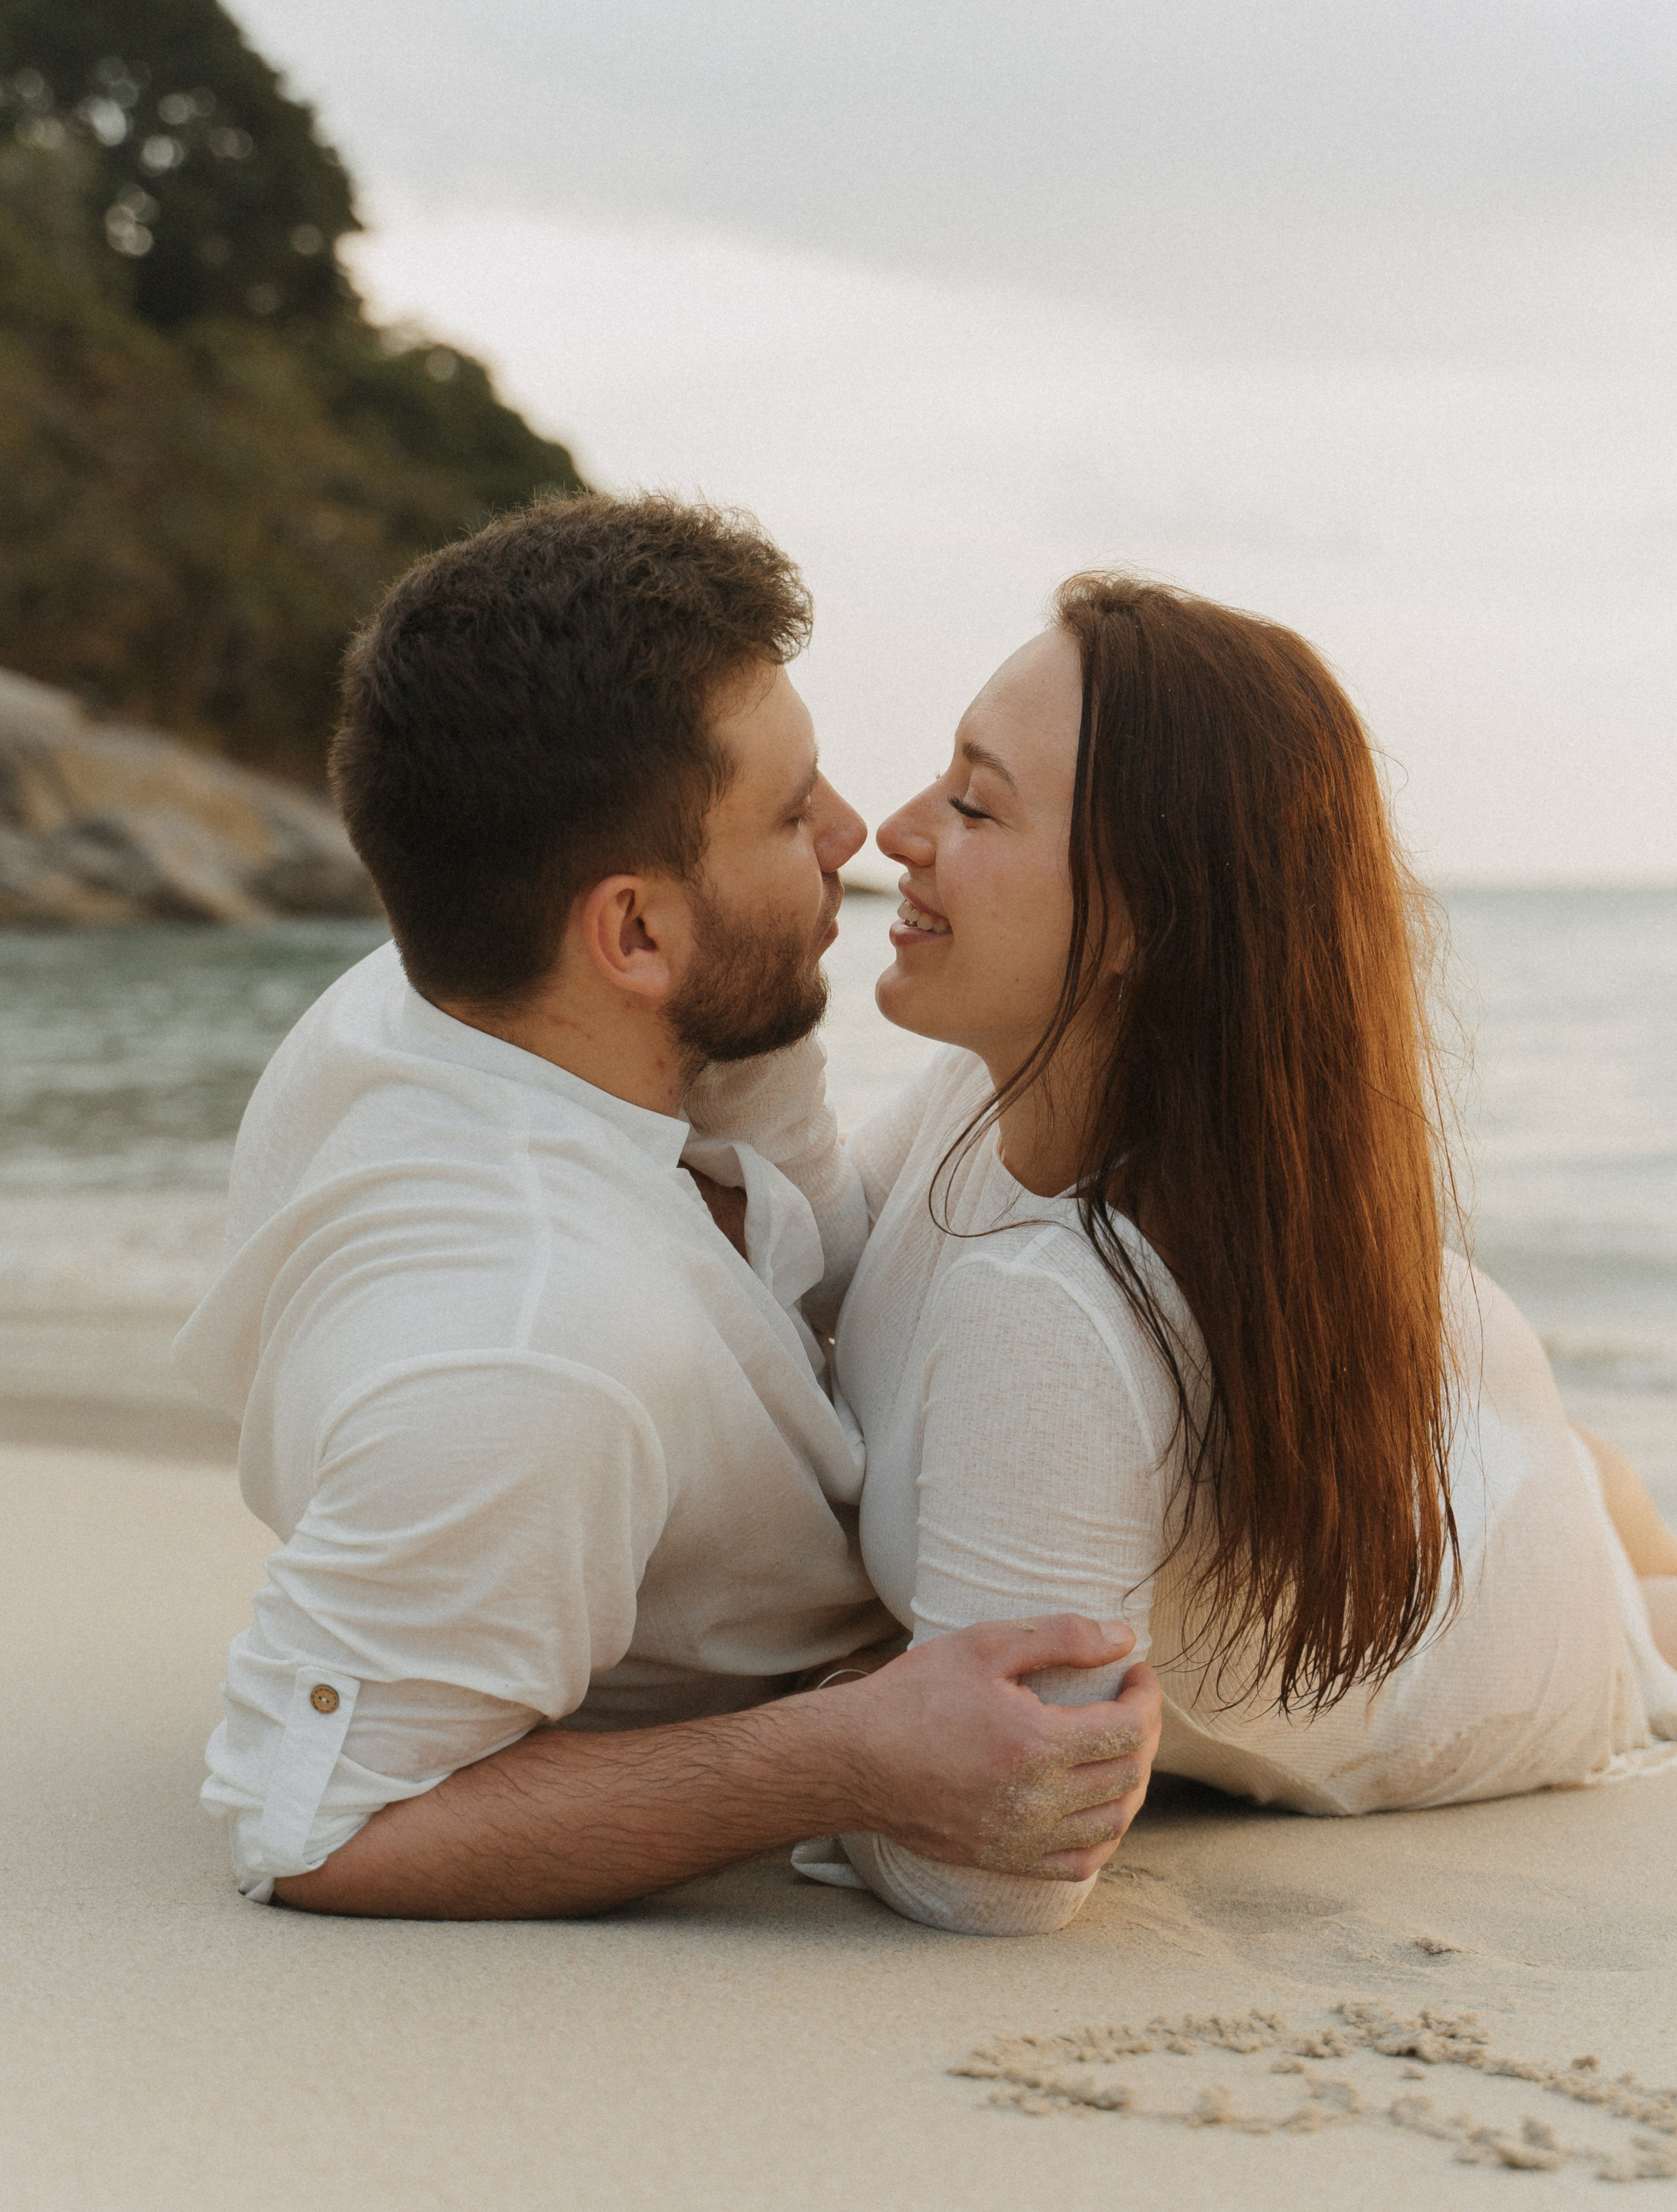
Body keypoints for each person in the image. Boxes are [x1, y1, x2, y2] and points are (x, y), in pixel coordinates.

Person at [175, 497, 1162, 1919]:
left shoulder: (558, 993)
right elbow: (322, 1830)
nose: (853, 834)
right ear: (631, 931)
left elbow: (821, 1260)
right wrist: (843, 1757)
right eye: (787, 812)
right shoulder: (528, 1351)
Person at [796, 574, 1677, 1936]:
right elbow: (789, 1296)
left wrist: (816, 1730)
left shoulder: (1051, 1324)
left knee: (1645, 1603)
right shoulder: (980, 1105)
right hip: (1465, 1454)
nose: (896, 832)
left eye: (974, 805)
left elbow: (989, 1873)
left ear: (1141, 923)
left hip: (1512, 1620)